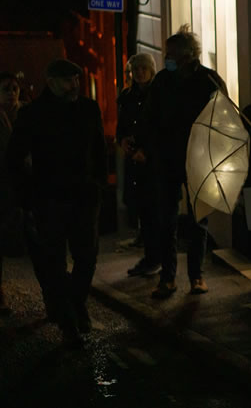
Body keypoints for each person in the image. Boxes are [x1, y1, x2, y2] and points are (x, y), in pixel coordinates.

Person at [6, 59, 107, 345]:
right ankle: (68, 321)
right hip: (49, 199)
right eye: (67, 80)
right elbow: (14, 157)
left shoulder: (88, 109)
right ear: (51, 82)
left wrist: (99, 183)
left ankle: (75, 305)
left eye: (75, 79)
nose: (74, 85)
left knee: (87, 257)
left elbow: (99, 149)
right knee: (54, 263)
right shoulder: (34, 114)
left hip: (85, 197)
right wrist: (27, 196)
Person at [137, 25, 225, 299]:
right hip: (167, 158)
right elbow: (150, 118)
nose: (168, 58)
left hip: (198, 158)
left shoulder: (208, 80)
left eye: (172, 53)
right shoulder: (163, 80)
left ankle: (196, 276)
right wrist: (145, 147)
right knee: (167, 219)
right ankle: (168, 277)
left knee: (198, 219)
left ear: (188, 55)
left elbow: (223, 117)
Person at [118, 53, 160, 277]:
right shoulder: (127, 96)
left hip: (152, 161)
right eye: (136, 69)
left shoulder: (158, 95)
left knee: (155, 211)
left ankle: (155, 258)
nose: (140, 73)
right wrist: (123, 140)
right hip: (134, 159)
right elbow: (122, 125)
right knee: (143, 210)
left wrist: (147, 151)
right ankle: (150, 256)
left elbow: (161, 129)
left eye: (144, 68)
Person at [0, 72, 24, 315]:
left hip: (26, 187)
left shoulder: (27, 114)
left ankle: (53, 297)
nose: (11, 93)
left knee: (38, 243)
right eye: (6, 89)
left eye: (14, 88)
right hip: (3, 187)